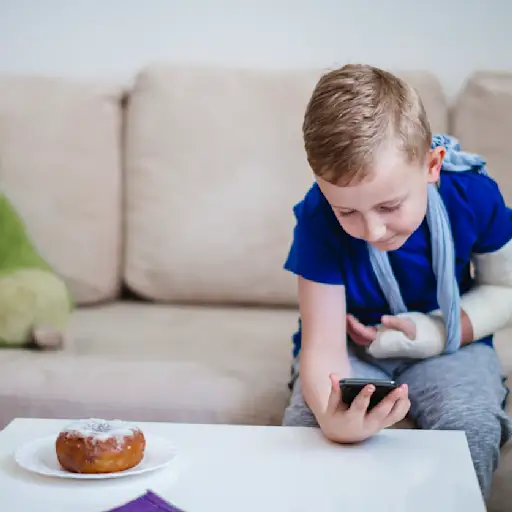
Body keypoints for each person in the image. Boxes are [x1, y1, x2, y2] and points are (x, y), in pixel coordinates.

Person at [282, 63, 512, 500]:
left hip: (452, 347)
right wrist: (333, 421)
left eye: (389, 206)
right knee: (310, 429)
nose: (371, 231)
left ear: (432, 165)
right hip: (355, 351)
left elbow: (506, 290)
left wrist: (436, 333)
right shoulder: (316, 217)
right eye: (347, 212)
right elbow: (323, 348)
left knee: (472, 426)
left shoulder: (475, 194)